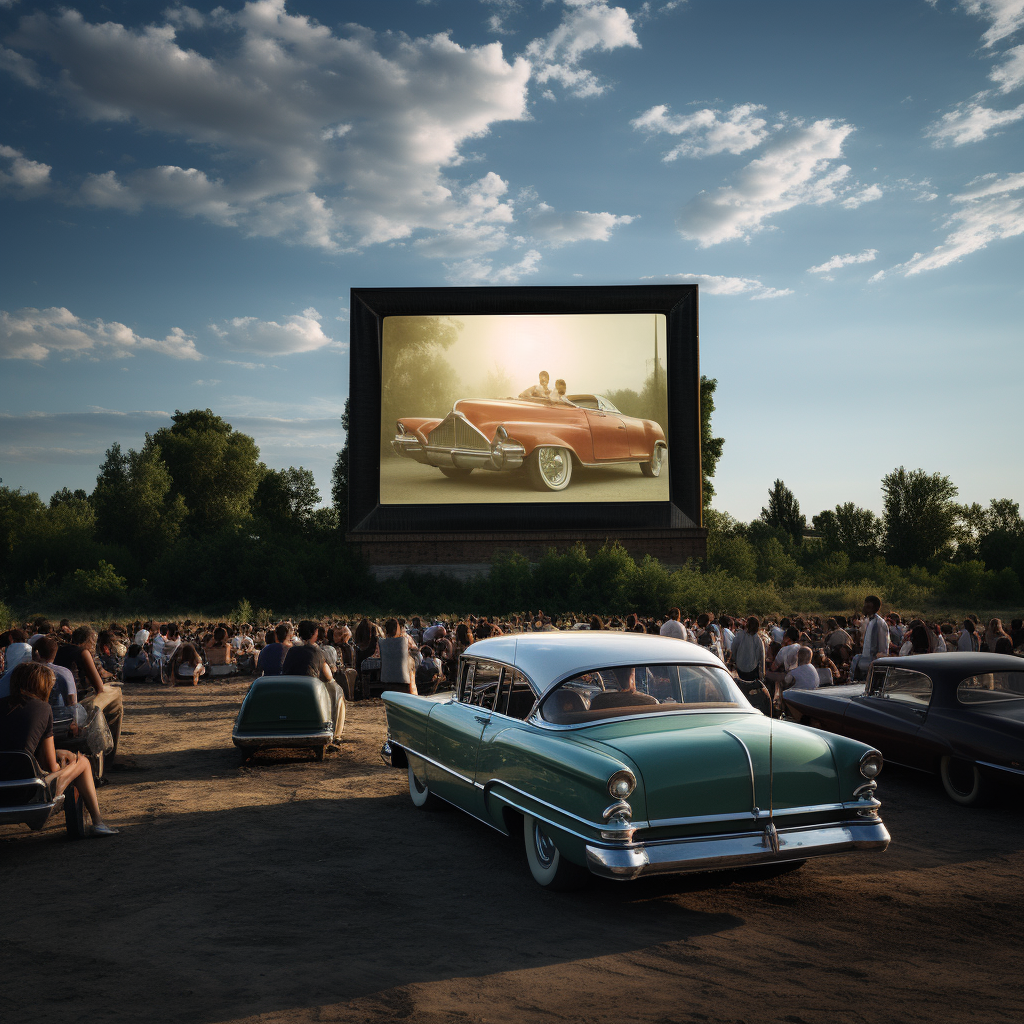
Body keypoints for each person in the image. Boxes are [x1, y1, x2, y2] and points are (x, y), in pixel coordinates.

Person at [0, 662, 116, 836]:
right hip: (25, 791)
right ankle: (98, 823)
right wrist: (66, 760)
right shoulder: (43, 709)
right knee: (82, 761)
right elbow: (51, 766)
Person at [53, 627, 124, 760]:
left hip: (60, 704)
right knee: (117, 694)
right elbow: (99, 687)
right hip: (79, 702)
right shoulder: (83, 652)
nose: (93, 646)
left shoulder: (60, 650)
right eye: (93, 642)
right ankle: (110, 754)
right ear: (87, 641)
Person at [281, 620, 345, 741]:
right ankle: (335, 732)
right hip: (309, 691)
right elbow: (328, 676)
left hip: (289, 688)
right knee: (336, 689)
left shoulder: (292, 651)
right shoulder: (318, 652)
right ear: (315, 633)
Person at [849, 596, 889, 681]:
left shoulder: (878, 623)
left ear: (874, 608)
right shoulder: (869, 621)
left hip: (873, 664)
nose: (864, 608)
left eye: (867, 607)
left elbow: (878, 646)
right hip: (867, 661)